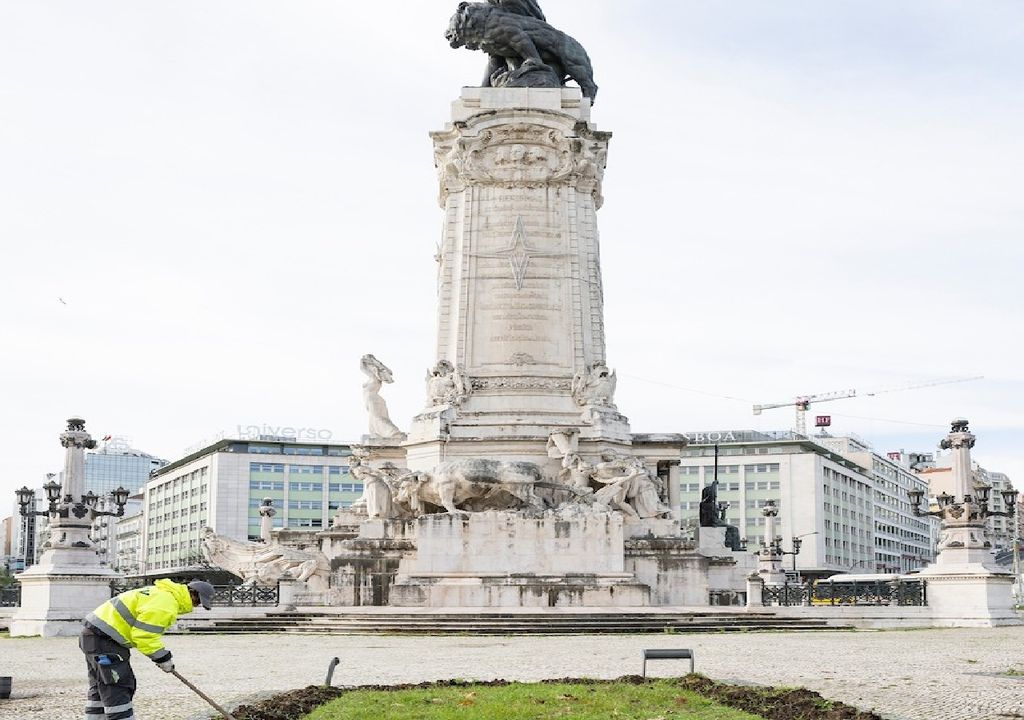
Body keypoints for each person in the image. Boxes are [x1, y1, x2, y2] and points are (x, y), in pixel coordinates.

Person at [79, 579, 214, 720]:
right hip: (106, 640)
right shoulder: (166, 605)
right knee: (118, 686)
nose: (195, 606)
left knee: (101, 686)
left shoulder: (162, 594)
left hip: (94, 637)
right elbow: (143, 636)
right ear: (193, 594)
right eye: (197, 602)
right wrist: (163, 658)